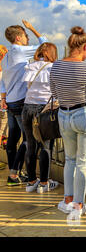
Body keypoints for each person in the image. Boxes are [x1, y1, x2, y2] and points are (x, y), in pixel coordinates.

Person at [50, 27, 86, 223]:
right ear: (85, 47)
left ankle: (68, 199)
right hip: (84, 114)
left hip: (64, 114)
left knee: (70, 159)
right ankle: (79, 204)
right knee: (83, 162)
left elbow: (54, 93)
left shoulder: (55, 66)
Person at [1, 21, 48, 186]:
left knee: (14, 138)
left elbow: (3, 82)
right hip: (21, 101)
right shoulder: (19, 50)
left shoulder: (6, 56)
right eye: (26, 35)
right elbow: (46, 46)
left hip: (11, 102)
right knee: (30, 139)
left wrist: (3, 99)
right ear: (19, 37)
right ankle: (14, 175)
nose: (28, 38)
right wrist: (33, 28)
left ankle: (16, 173)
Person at [22, 43, 59, 193]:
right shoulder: (53, 68)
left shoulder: (31, 66)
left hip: (27, 108)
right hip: (42, 110)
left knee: (30, 145)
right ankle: (44, 183)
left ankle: (31, 182)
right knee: (45, 146)